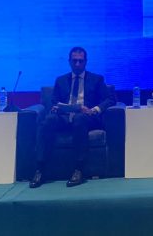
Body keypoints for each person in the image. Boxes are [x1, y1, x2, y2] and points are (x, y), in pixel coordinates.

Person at [30, 47, 114, 188]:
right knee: (48, 120)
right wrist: (59, 107)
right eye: (74, 61)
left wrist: (95, 109)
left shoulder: (97, 79)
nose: (77, 64)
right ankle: (40, 169)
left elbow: (110, 99)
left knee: (79, 119)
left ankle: (79, 169)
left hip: (87, 118)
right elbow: (53, 102)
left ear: (86, 62)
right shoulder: (61, 80)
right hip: (64, 116)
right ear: (69, 61)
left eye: (80, 61)